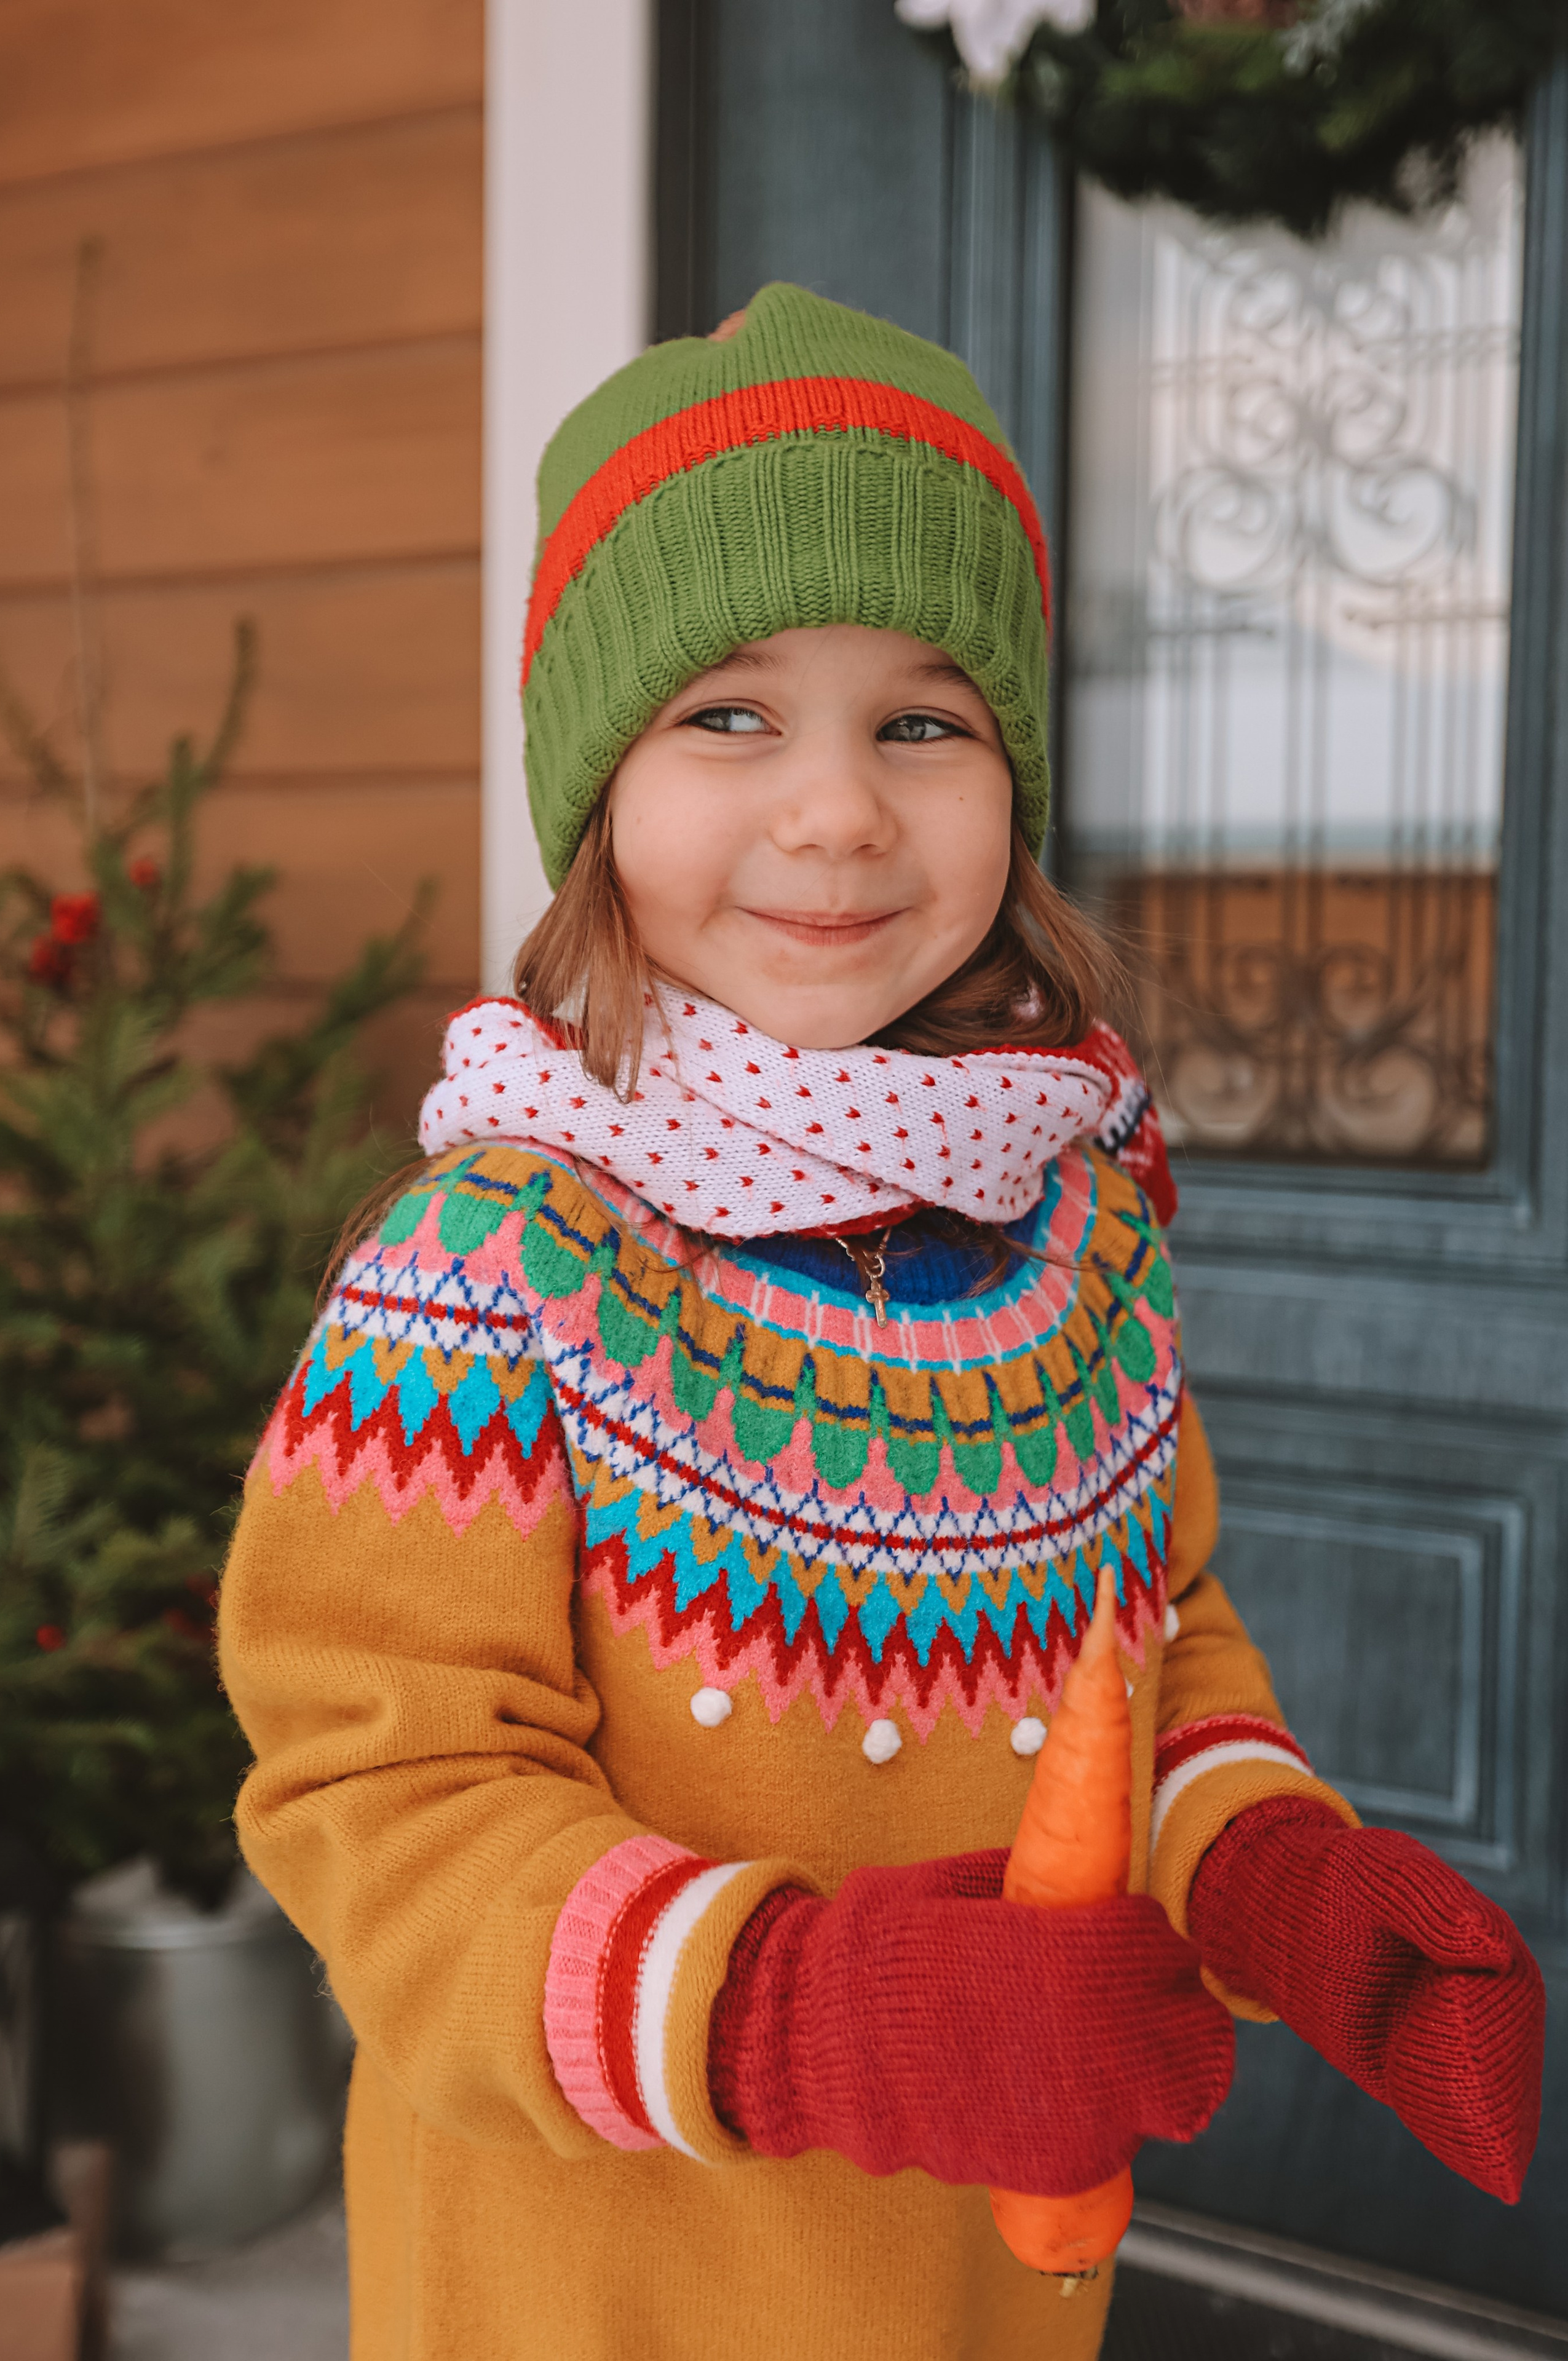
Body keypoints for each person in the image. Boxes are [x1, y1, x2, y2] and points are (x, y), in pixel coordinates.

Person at [218, 285, 1544, 2361]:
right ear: (599, 795)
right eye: (729, 715)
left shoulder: (1082, 1244)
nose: (837, 809)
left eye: (922, 722)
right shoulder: (492, 1267)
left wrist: (1272, 1865)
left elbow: (1159, 1646)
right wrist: (795, 2008)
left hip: (986, 2302)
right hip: (597, 2303)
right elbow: (388, 1812)